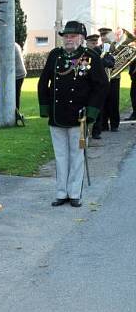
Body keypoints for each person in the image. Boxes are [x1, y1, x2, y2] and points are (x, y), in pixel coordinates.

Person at [38, 21, 108, 208]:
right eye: (66, 36)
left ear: (82, 38)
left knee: (77, 155)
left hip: (80, 116)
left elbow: (101, 86)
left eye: (73, 36)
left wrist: (92, 112)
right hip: (57, 115)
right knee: (60, 156)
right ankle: (61, 193)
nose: (68, 39)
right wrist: (45, 108)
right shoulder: (55, 55)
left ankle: (75, 193)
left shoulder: (91, 56)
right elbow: (43, 81)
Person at [85, 33, 115, 140]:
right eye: (92, 43)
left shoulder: (100, 52)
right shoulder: (84, 53)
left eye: (95, 43)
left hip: (99, 85)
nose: (94, 45)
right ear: (87, 43)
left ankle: (96, 131)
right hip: (87, 85)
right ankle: (86, 130)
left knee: (98, 108)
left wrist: (100, 60)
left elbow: (111, 62)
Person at [97, 27, 121, 133]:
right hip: (102, 78)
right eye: (101, 35)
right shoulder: (98, 48)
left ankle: (114, 124)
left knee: (114, 100)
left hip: (114, 77)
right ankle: (104, 124)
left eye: (105, 35)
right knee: (103, 101)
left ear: (110, 35)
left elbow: (121, 61)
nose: (103, 37)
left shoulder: (116, 47)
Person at [14, 39, 27, 126]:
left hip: (17, 74)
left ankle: (16, 114)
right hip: (20, 73)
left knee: (15, 95)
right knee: (16, 95)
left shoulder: (11, 46)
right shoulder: (15, 44)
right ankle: (16, 114)